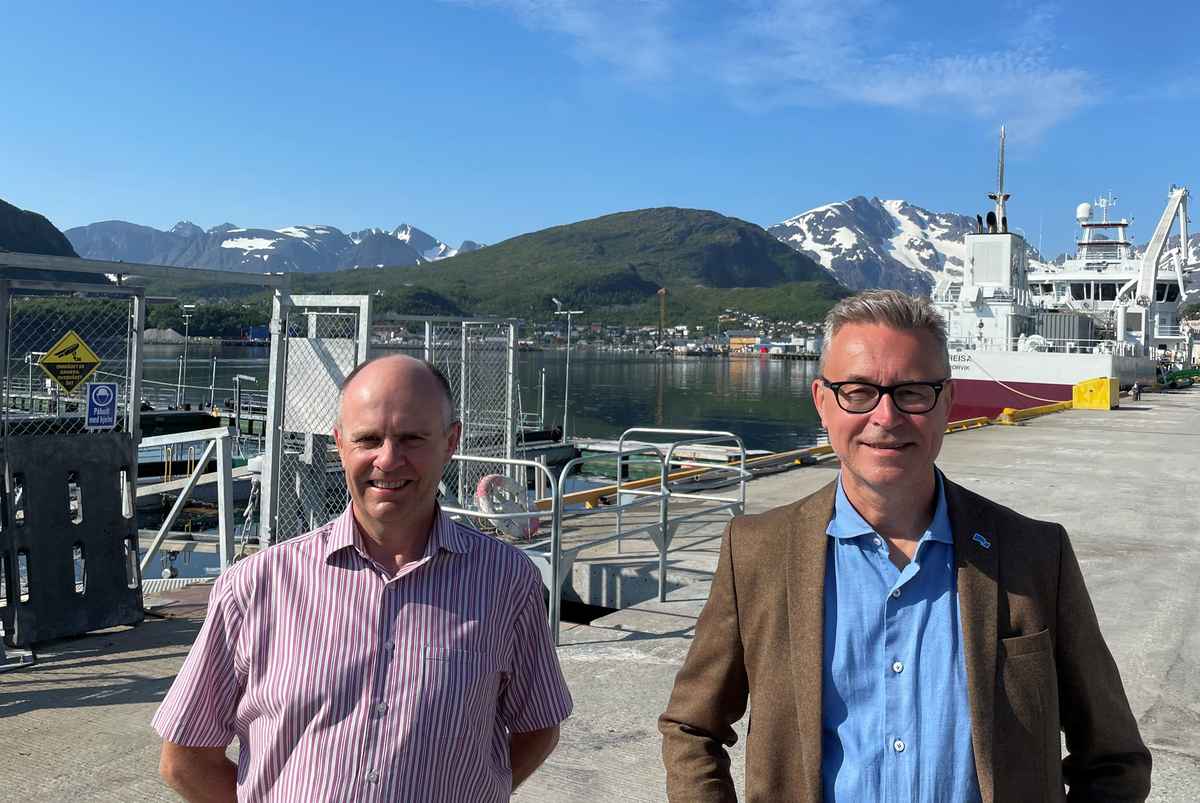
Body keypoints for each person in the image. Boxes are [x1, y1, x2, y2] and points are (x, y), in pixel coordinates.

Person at [659, 290, 1150, 802]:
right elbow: (692, 729)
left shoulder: (1035, 555)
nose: (886, 417)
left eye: (913, 392)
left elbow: (1114, 759)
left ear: (947, 401)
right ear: (822, 401)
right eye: (858, 391)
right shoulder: (756, 552)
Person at [154, 355, 572, 802]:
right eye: (368, 438)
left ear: (452, 441)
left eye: (412, 438)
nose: (388, 460)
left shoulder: (507, 582)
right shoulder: (256, 585)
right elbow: (186, 760)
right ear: (339, 443)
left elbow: (538, 727)